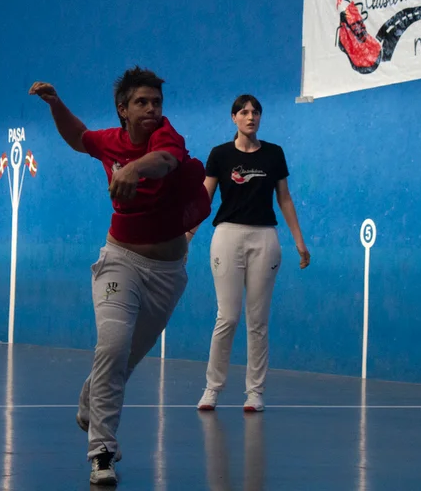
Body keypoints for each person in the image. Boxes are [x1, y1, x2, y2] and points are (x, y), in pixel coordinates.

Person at [29, 67, 210, 487]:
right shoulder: (110, 141)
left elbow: (164, 162)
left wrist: (132, 169)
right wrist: (56, 105)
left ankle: (91, 396)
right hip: (119, 261)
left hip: (167, 274)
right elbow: (79, 137)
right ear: (123, 109)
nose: (151, 110)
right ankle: (102, 452)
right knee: (112, 347)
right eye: (141, 103)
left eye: (156, 102)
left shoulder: (167, 137)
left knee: (124, 359)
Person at [191, 94, 311, 413]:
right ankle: (212, 388)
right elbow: (204, 198)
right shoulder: (220, 154)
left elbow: (284, 199)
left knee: (257, 321)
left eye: (255, 112)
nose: (250, 117)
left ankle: (255, 392)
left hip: (264, 238)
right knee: (227, 317)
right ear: (233, 117)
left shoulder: (274, 154)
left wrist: (299, 242)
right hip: (227, 236)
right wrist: (186, 235)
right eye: (244, 112)